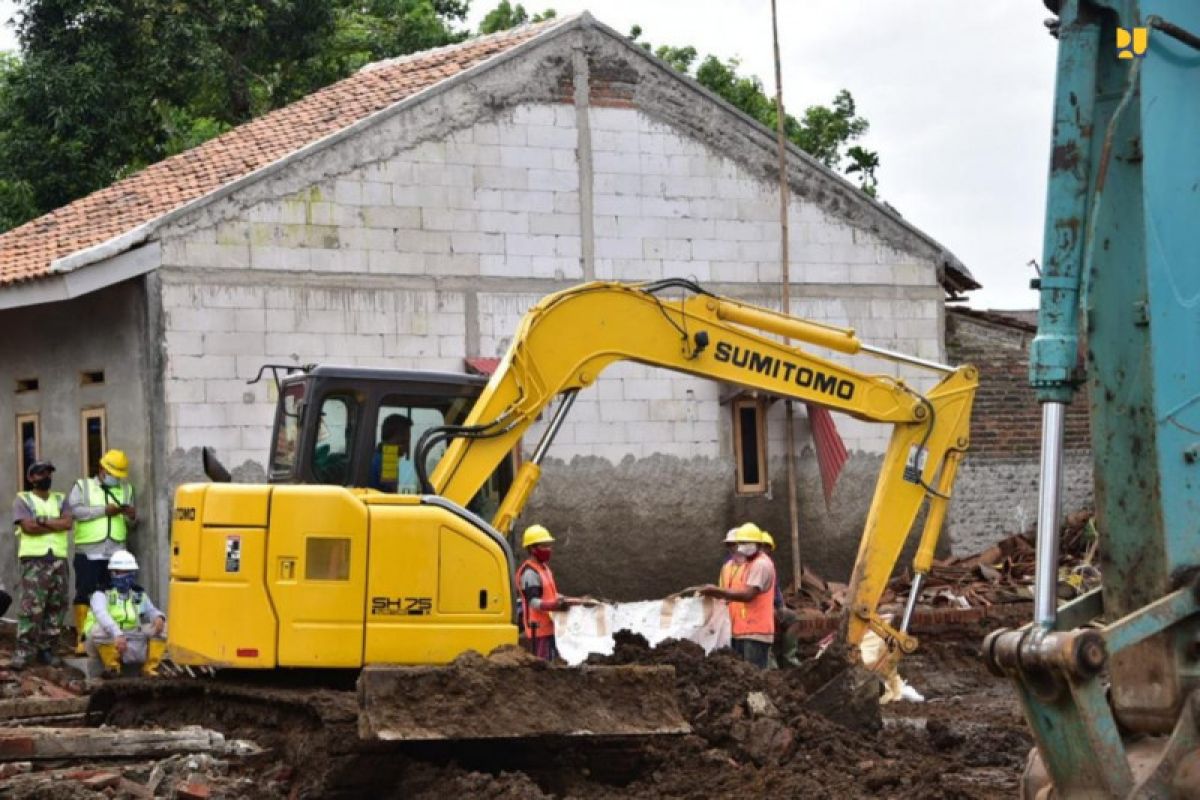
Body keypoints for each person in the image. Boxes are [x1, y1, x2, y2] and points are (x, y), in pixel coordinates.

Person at [67, 449, 137, 655]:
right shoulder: (83, 486)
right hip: (89, 552)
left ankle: (110, 639)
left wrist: (131, 516)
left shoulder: (127, 490)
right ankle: (82, 638)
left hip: (116, 553)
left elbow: (131, 524)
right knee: (85, 594)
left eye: (119, 476)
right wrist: (103, 511)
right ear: (102, 469)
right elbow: (75, 512)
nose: (116, 479)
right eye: (113, 474)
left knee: (113, 596)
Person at [11, 461, 73, 669]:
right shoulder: (23, 500)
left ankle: (47, 650)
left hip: (59, 560)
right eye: (40, 473)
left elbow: (67, 523)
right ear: (31, 478)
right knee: (31, 608)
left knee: (56, 606)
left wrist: (43, 521)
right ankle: (23, 652)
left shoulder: (60, 499)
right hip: (34, 561)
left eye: (48, 473)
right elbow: (28, 527)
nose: (45, 476)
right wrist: (53, 524)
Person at [698, 522, 776, 669]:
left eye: (745, 543)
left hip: (755, 631)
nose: (740, 546)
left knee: (754, 676)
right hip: (739, 630)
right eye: (740, 543)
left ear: (757, 544)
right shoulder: (742, 565)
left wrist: (717, 591)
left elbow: (748, 595)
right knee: (742, 677)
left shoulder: (761, 564)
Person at [83, 549, 167, 678]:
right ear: (113, 573)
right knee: (98, 630)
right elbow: (102, 615)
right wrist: (117, 634)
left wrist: (158, 617)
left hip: (131, 634)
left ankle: (150, 669)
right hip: (105, 638)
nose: (127, 576)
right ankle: (113, 670)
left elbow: (150, 610)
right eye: (123, 572)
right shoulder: (101, 593)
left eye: (130, 572)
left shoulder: (137, 593)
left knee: (164, 628)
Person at [515, 524, 585, 661]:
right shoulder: (530, 573)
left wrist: (575, 601)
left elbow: (551, 595)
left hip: (550, 626)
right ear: (532, 549)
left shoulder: (543, 568)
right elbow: (533, 602)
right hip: (538, 630)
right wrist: (554, 605)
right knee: (542, 666)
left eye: (548, 545)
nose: (548, 549)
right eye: (544, 546)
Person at [759, 532, 801, 668]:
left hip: (770, 607)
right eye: (762, 547)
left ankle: (789, 659)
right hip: (756, 611)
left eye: (767, 548)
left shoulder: (768, 565)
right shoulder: (752, 566)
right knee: (768, 625)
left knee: (792, 618)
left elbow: (775, 590)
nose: (765, 551)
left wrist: (780, 606)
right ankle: (770, 665)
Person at [369, 414, 418, 494]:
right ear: (388, 440)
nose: (406, 447)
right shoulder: (387, 460)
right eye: (402, 442)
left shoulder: (376, 456)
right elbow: (396, 494)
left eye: (407, 442)